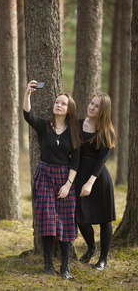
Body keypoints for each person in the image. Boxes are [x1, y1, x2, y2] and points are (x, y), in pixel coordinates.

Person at [23, 80, 81, 279]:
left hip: (65, 178)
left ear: (69, 109)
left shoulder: (74, 131)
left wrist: (68, 184)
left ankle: (65, 266)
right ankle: (47, 263)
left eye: (63, 103)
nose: (59, 105)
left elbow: (76, 161)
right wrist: (28, 94)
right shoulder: (44, 126)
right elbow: (28, 115)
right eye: (57, 102)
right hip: (45, 176)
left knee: (65, 222)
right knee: (47, 219)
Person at [75, 93, 116, 271]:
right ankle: (92, 247)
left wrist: (90, 182)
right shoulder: (77, 124)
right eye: (91, 103)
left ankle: (103, 259)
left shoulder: (107, 131)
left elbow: (101, 161)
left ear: (103, 110)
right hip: (79, 172)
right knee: (81, 217)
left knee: (104, 220)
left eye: (96, 106)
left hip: (98, 178)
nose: (91, 107)